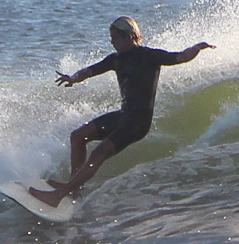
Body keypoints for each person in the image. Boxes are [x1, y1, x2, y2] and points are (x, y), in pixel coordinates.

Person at [28, 16, 214, 207]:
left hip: (138, 123)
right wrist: (73, 78)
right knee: (78, 136)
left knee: (97, 155)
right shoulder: (115, 60)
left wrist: (197, 47)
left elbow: (180, 57)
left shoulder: (149, 56)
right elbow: (90, 71)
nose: (112, 42)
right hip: (124, 116)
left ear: (129, 36)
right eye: (111, 37)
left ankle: (59, 195)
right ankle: (73, 189)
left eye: (115, 37)